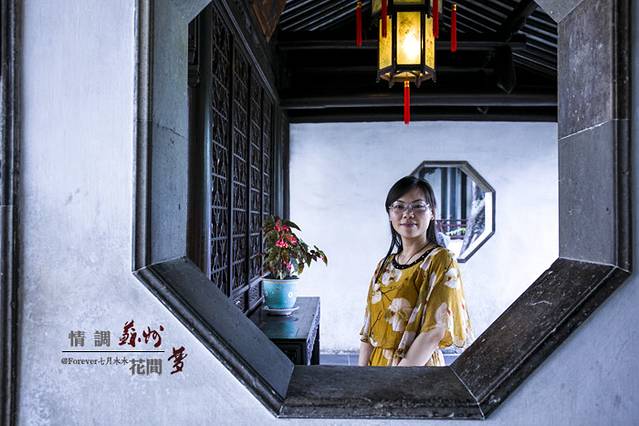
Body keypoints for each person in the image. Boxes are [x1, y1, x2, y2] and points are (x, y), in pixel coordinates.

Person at [358, 176, 473, 367]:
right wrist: (361, 375)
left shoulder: (441, 260)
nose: (408, 214)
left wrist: (394, 379)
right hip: (377, 368)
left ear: (432, 212)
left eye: (418, 206)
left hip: (415, 370)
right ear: (389, 214)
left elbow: (433, 332)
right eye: (399, 206)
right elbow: (368, 328)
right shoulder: (384, 265)